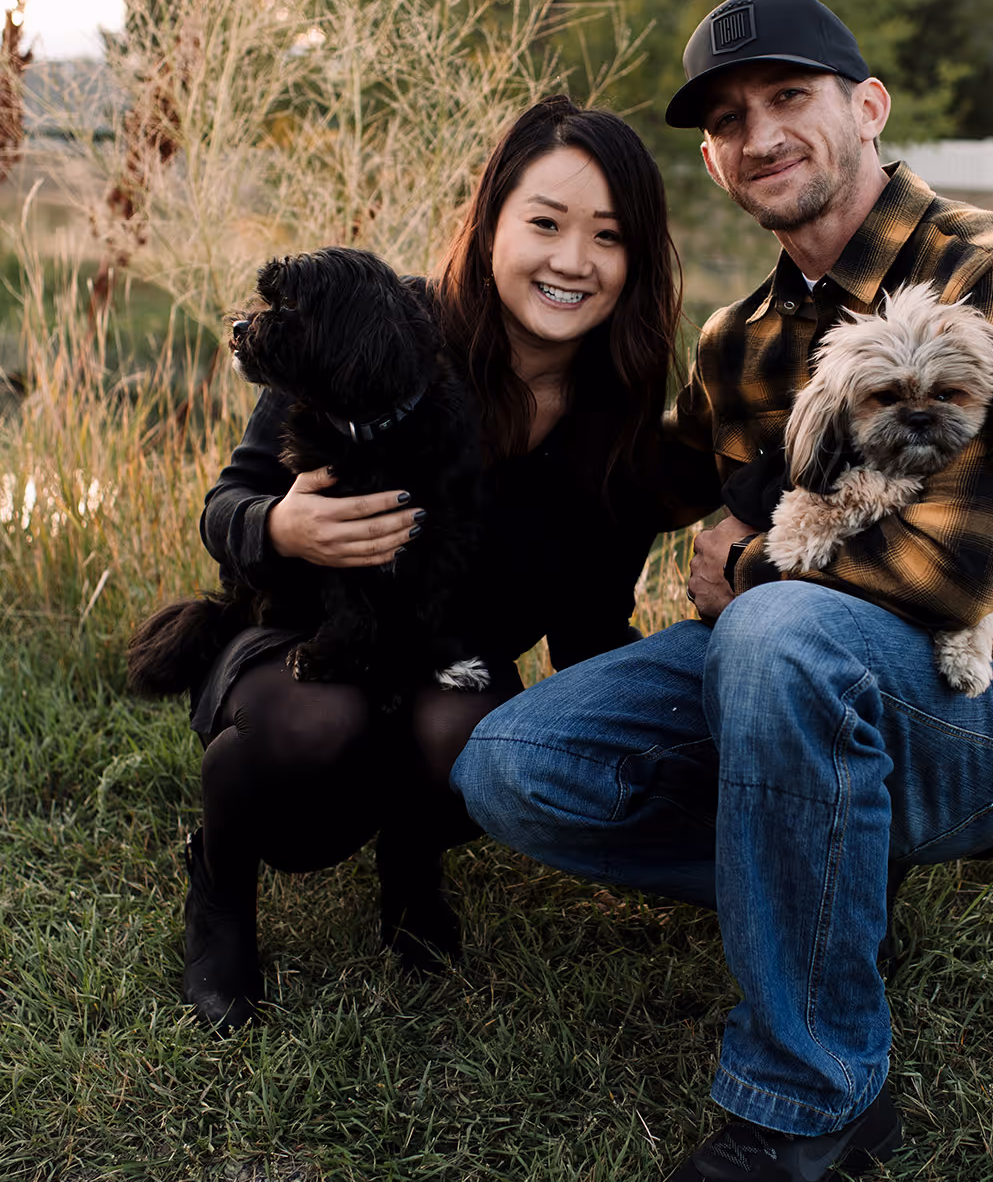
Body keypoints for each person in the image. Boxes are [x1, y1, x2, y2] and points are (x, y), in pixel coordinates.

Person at [452, 0, 993, 1182]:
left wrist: (753, 567)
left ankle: (815, 1095)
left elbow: (957, 572)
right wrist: (498, 394)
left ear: (866, 107)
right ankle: (824, 866)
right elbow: (635, 485)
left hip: (991, 708)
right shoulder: (741, 338)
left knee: (769, 631)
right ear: (711, 161)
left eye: (786, 99)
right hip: (805, 664)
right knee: (513, 764)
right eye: (725, 119)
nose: (756, 133)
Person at [181, 96, 685, 1031]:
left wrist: (672, 714)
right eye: (545, 222)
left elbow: (588, 629)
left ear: (637, 258)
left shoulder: (618, 417)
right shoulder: (377, 329)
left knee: (472, 739)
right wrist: (284, 531)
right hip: (305, 635)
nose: (573, 261)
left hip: (451, 660)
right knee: (313, 739)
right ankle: (218, 885)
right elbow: (227, 509)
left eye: (608, 237)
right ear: (490, 220)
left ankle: (411, 871)